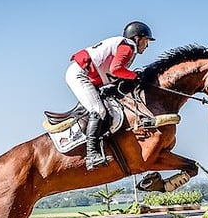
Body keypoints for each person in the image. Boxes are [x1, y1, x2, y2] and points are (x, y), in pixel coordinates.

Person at [66, 21, 155, 170]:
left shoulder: (126, 47)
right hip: (80, 75)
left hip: (87, 77)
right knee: (99, 110)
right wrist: (134, 76)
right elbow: (116, 69)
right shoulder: (128, 47)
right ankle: (91, 155)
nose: (146, 46)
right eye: (146, 41)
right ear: (137, 38)